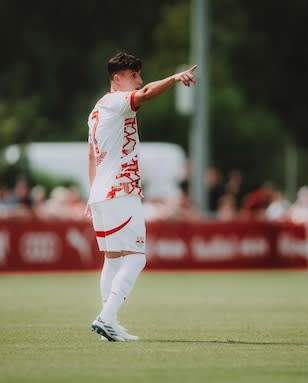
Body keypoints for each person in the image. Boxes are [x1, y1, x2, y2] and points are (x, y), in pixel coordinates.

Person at [86, 52, 197, 341]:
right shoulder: (117, 102)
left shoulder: (96, 110)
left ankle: (107, 323)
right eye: (133, 75)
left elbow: (91, 155)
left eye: (138, 75)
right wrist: (173, 78)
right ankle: (107, 317)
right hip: (121, 191)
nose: (139, 81)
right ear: (117, 79)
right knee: (136, 258)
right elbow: (145, 95)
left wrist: (91, 192)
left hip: (101, 192)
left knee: (112, 259)